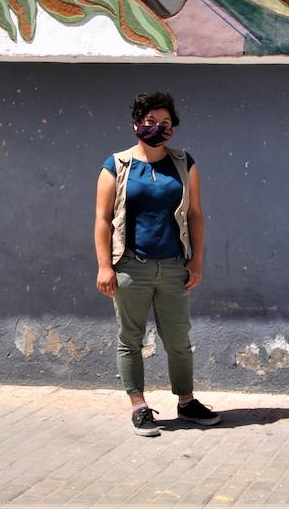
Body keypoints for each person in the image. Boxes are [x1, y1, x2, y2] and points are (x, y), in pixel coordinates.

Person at [94, 91, 219, 436]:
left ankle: (186, 401)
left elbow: (194, 215)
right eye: (150, 122)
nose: (157, 128)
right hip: (131, 267)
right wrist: (105, 266)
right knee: (130, 338)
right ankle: (139, 406)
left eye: (165, 123)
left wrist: (196, 261)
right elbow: (103, 220)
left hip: (174, 266)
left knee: (178, 339)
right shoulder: (116, 166)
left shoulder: (183, 163)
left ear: (172, 129)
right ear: (136, 123)